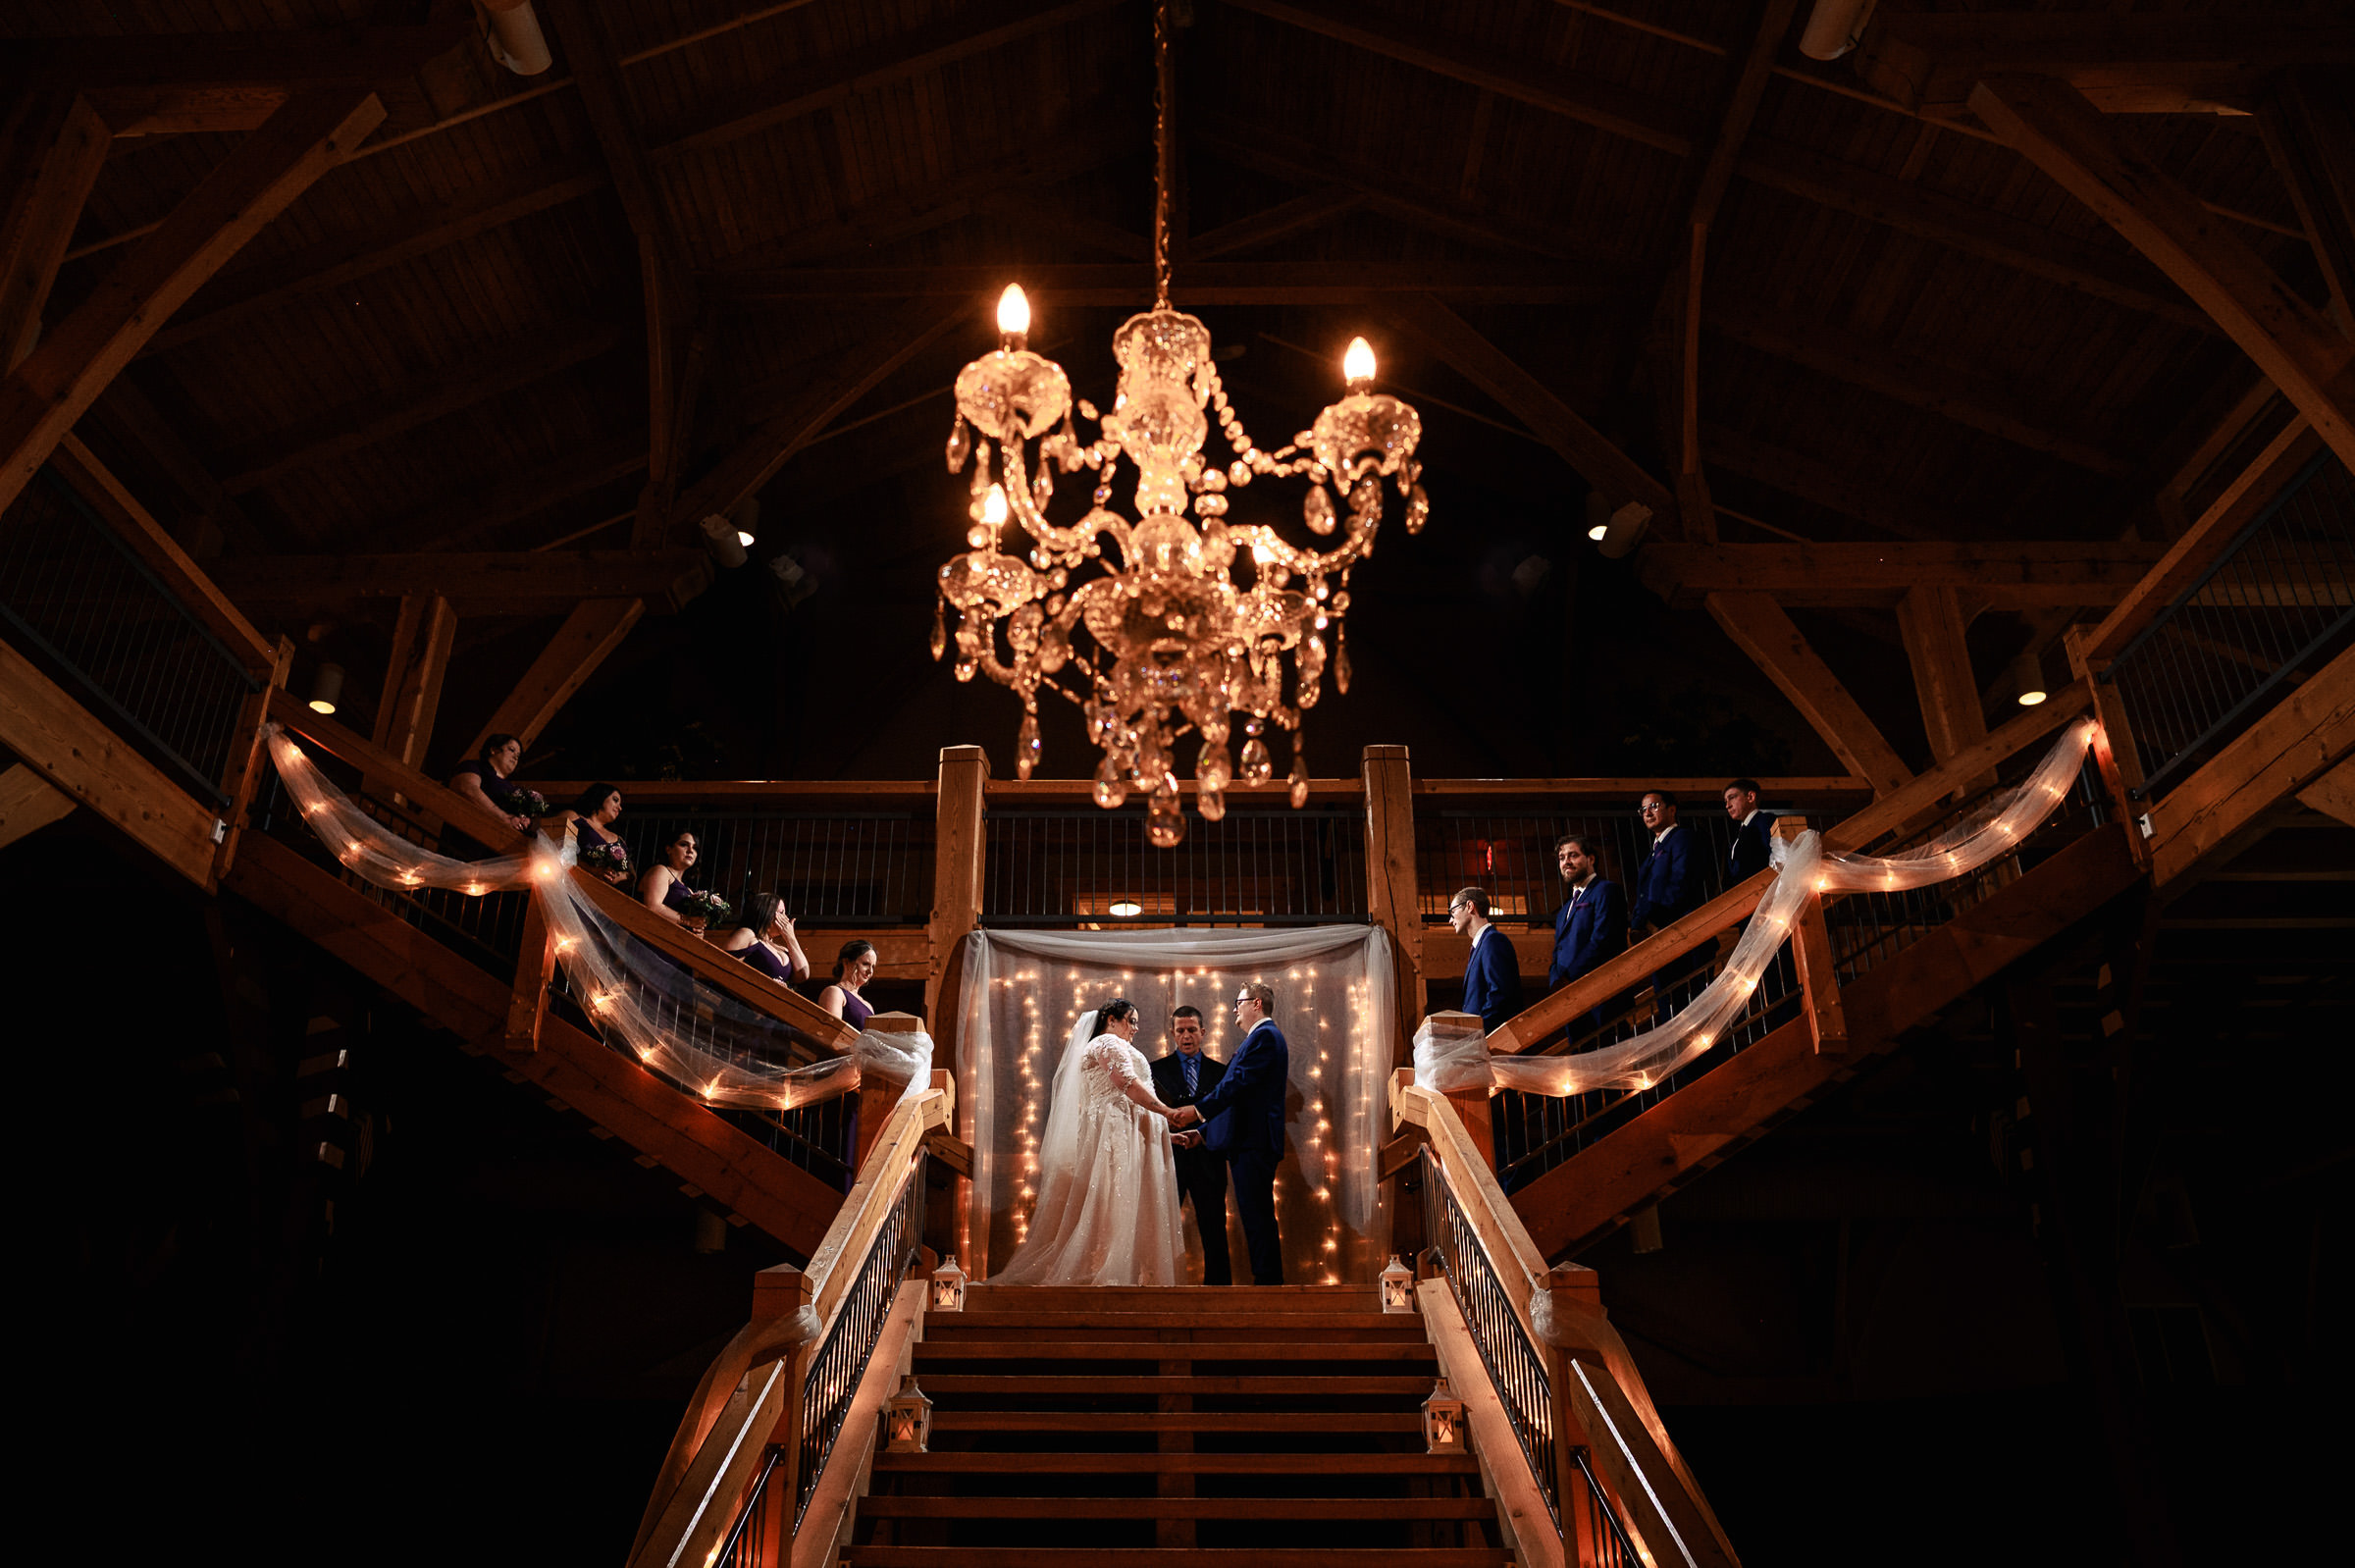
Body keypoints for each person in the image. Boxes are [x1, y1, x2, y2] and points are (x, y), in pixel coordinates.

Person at [992, 998, 1186, 1285]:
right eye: (1131, 1020)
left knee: (1128, 1199)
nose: (1136, 1028)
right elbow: (1127, 1084)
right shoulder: (1106, 1043)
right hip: (1114, 1132)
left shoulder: (1118, 1046)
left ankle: (1130, 1273)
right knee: (1115, 1198)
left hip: (1129, 1132)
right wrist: (1167, 1112)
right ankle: (1109, 1273)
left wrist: (1162, 1132)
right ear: (1111, 1019)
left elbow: (1130, 1099)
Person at [1172, 982, 1288, 1285]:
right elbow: (1240, 1099)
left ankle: (1268, 1287)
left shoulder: (1265, 1037)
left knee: (1257, 1215)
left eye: (1239, 1002)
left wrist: (1197, 1112)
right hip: (1248, 1140)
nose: (1235, 1009)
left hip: (1254, 1141)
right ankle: (1266, 1282)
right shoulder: (1259, 1038)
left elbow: (1236, 1084)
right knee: (1254, 1214)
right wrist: (1203, 1133)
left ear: (1257, 1004)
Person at [1148, 1005, 1231, 1285]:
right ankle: (1159, 1287)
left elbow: (1226, 1115)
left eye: (1192, 1030)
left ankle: (1219, 1294)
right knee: (1161, 1228)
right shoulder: (1153, 1070)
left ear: (1203, 1033)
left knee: (1214, 1227)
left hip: (1209, 1157)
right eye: (1181, 1030)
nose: (1186, 1036)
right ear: (1172, 1033)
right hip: (1167, 1157)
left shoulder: (1222, 1073)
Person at [1632, 789, 1708, 1021]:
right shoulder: (1651, 854)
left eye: (1654, 806)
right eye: (1643, 809)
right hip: (1658, 938)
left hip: (1680, 933)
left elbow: (1681, 882)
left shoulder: (1683, 838)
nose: (1647, 813)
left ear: (1672, 809)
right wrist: (1637, 924)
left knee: (1688, 1008)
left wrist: (1655, 919)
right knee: (1667, 1005)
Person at [1547, 832, 1628, 1037]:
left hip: (1600, 991)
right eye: (1562, 858)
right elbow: (1558, 950)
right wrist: (1556, 979)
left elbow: (1602, 940)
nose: (1567, 862)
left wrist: (1569, 977)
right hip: (1570, 998)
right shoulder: (1564, 909)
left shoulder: (1606, 891)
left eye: (1573, 855)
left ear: (1590, 859)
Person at [1451, 886, 1522, 1035]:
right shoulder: (1481, 944)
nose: (1450, 919)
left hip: (1492, 1036)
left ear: (1470, 906)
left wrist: (1479, 1030)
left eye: (1453, 911)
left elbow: (1499, 993)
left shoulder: (1494, 941)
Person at [448, 734, 537, 831]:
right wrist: (505, 817)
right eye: (511, 750)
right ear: (494, 750)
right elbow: (467, 790)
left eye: (518, 755)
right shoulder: (473, 766)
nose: (516, 757)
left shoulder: (513, 787)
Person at [717, 893, 810, 983]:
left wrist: (791, 938)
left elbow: (804, 974)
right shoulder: (747, 935)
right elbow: (723, 970)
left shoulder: (782, 949)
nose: (785, 918)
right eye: (781, 913)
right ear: (766, 913)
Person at [564, 783, 630, 885]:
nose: (620, 808)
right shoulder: (573, 818)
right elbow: (557, 851)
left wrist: (614, 876)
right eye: (615, 800)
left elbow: (628, 873)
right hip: (572, 882)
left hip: (603, 892)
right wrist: (592, 870)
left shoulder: (619, 840)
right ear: (600, 796)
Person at [637, 829, 706, 924]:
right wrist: (688, 921)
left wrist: (697, 929)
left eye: (695, 848)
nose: (690, 851)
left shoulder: (689, 890)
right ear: (669, 849)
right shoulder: (661, 871)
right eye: (683, 844)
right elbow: (653, 907)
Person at [1723, 778, 1778, 884]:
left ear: (1750, 797)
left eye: (1732, 798)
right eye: (1726, 801)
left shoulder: (1764, 821)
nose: (1727, 805)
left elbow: (1778, 858)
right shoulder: (1740, 831)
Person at [817, 940, 877, 1028]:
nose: (870, 971)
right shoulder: (835, 992)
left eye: (873, 966)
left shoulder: (868, 1006)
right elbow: (831, 1032)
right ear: (846, 962)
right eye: (865, 964)